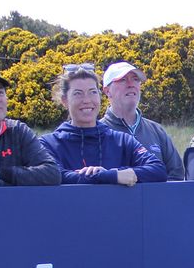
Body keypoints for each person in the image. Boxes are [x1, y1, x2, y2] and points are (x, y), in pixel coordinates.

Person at [39, 63, 167, 186]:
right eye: (78, 93)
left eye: (93, 92)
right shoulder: (48, 144)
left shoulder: (122, 140)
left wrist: (116, 173)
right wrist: (111, 176)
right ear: (65, 101)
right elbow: (54, 176)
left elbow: (158, 170)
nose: (87, 100)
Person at [101, 61, 185, 180]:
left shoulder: (157, 131)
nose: (131, 84)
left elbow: (177, 175)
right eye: (123, 80)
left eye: (135, 79)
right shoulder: (97, 133)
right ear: (107, 91)